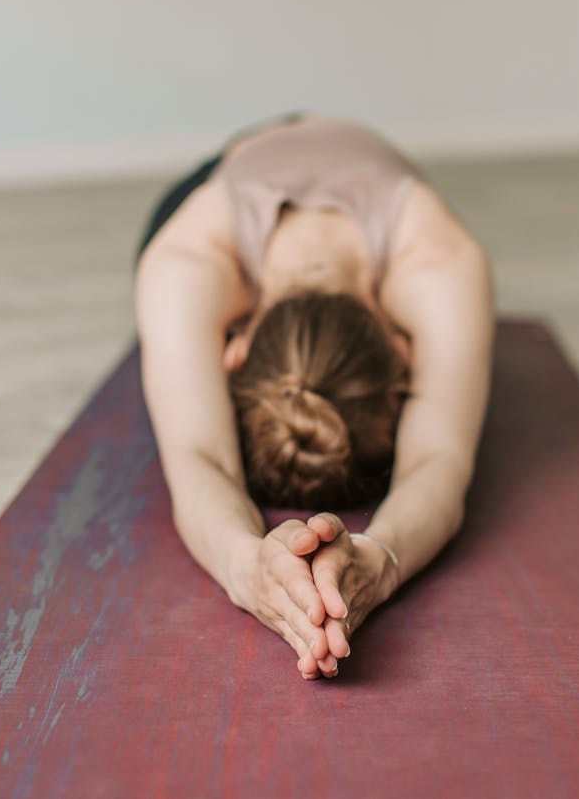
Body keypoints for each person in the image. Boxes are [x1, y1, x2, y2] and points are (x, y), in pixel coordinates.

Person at [133, 112, 495, 680]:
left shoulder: (443, 262)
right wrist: (246, 569)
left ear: (232, 349)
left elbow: (439, 461)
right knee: (157, 309)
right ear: (407, 352)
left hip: (297, 157)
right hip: (240, 166)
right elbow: (199, 455)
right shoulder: (184, 258)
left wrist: (378, 564)